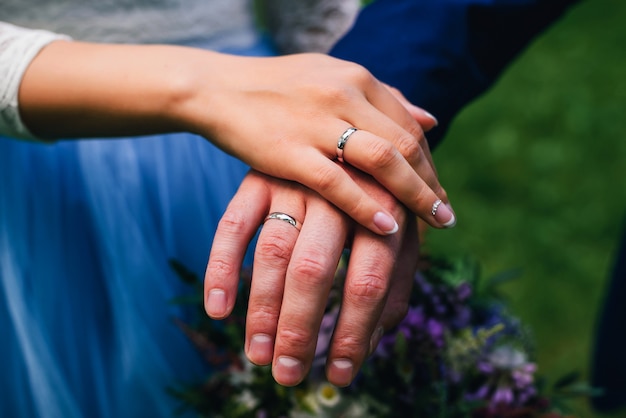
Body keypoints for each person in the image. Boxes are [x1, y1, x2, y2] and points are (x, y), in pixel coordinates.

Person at [0, 0, 454, 416]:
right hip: (39, 159)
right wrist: (205, 89)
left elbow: (312, 14)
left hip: (254, 134)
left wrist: (353, 122)